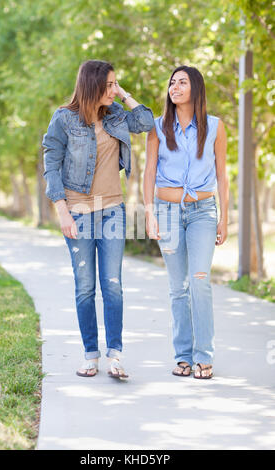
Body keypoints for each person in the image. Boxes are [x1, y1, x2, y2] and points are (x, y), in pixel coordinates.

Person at [42, 60, 154, 379]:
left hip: (112, 213)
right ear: (91, 85)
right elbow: (51, 164)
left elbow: (146, 122)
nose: (113, 90)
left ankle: (115, 356)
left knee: (113, 286)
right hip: (77, 214)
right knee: (85, 288)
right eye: (108, 85)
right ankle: (90, 355)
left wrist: (125, 94)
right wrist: (61, 210)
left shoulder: (116, 113)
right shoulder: (64, 120)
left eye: (116, 84)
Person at [143, 65, 228, 379]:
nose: (174, 87)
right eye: (171, 82)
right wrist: (149, 213)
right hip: (166, 211)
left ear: (196, 88)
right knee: (178, 287)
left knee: (200, 281)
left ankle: (204, 355)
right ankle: (183, 357)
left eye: (182, 82)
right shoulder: (157, 127)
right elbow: (148, 172)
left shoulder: (216, 127)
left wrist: (225, 219)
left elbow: (222, 176)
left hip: (203, 212)